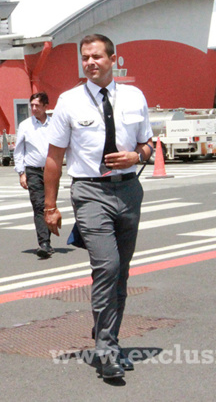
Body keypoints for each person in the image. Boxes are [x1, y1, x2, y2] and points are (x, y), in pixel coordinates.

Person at [43, 34, 154, 380]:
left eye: (96, 57)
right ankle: (105, 351)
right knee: (106, 267)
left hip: (129, 190)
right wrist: (50, 206)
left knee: (121, 270)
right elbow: (54, 157)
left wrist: (137, 156)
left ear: (112, 58)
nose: (90, 63)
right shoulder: (69, 101)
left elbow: (147, 144)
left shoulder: (134, 96)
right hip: (90, 192)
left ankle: (110, 339)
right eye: (85, 58)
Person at [14, 92, 54, 258]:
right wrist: (21, 173)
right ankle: (44, 242)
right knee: (38, 205)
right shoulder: (25, 125)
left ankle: (48, 238)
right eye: (32, 105)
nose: (34, 108)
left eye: (37, 105)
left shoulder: (54, 124)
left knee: (49, 205)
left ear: (46, 106)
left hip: (52, 171)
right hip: (33, 170)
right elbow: (18, 151)